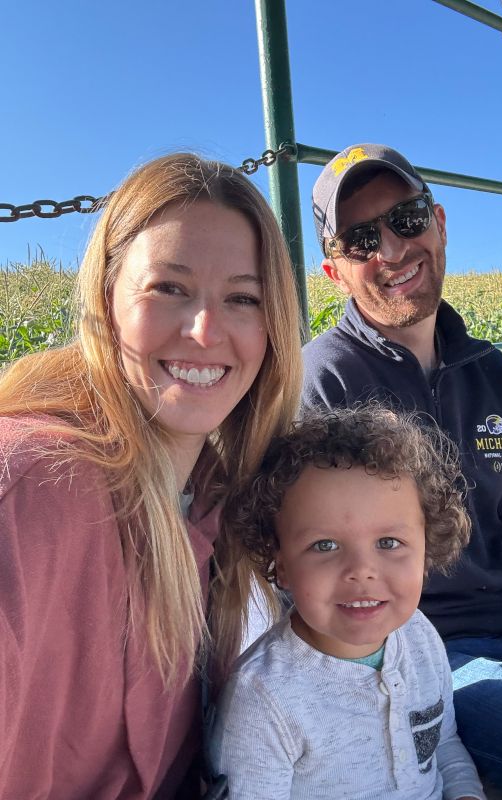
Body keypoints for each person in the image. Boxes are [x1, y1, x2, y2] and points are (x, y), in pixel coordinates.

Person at [0, 152, 302, 799]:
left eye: (243, 298)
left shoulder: (225, 502)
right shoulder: (26, 488)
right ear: (107, 300)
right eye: (169, 288)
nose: (204, 329)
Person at [303, 143, 502, 799]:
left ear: (438, 222)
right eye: (360, 239)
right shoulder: (321, 388)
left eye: (405, 219)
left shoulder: (492, 372)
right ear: (334, 271)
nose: (391, 250)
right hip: (439, 659)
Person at [212, 405, 486, 800]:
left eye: (389, 543)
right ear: (281, 563)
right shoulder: (263, 700)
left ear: (426, 550)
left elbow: (442, 745)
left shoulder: (420, 638)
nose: (361, 570)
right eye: (325, 545)